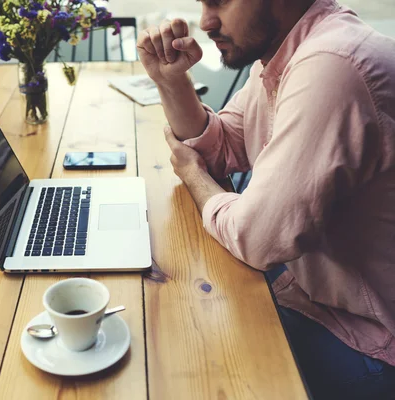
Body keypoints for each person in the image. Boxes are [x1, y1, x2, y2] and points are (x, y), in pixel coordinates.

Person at [136, 0, 395, 398]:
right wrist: (171, 82)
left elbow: (257, 240)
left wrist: (192, 175)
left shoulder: (333, 67)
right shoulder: (284, 55)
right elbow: (222, 148)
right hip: (311, 291)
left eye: (221, 1)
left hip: (368, 340)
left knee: (183, 364)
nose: (206, 22)